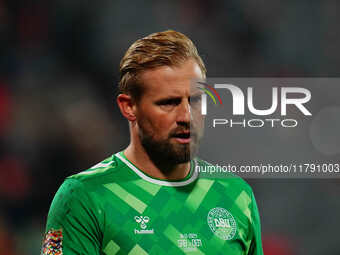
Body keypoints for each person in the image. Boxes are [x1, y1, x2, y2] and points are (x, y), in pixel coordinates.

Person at [41, 30, 263, 255]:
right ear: (129, 106)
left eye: (195, 100)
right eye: (168, 102)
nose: (186, 116)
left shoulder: (236, 195)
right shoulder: (85, 197)